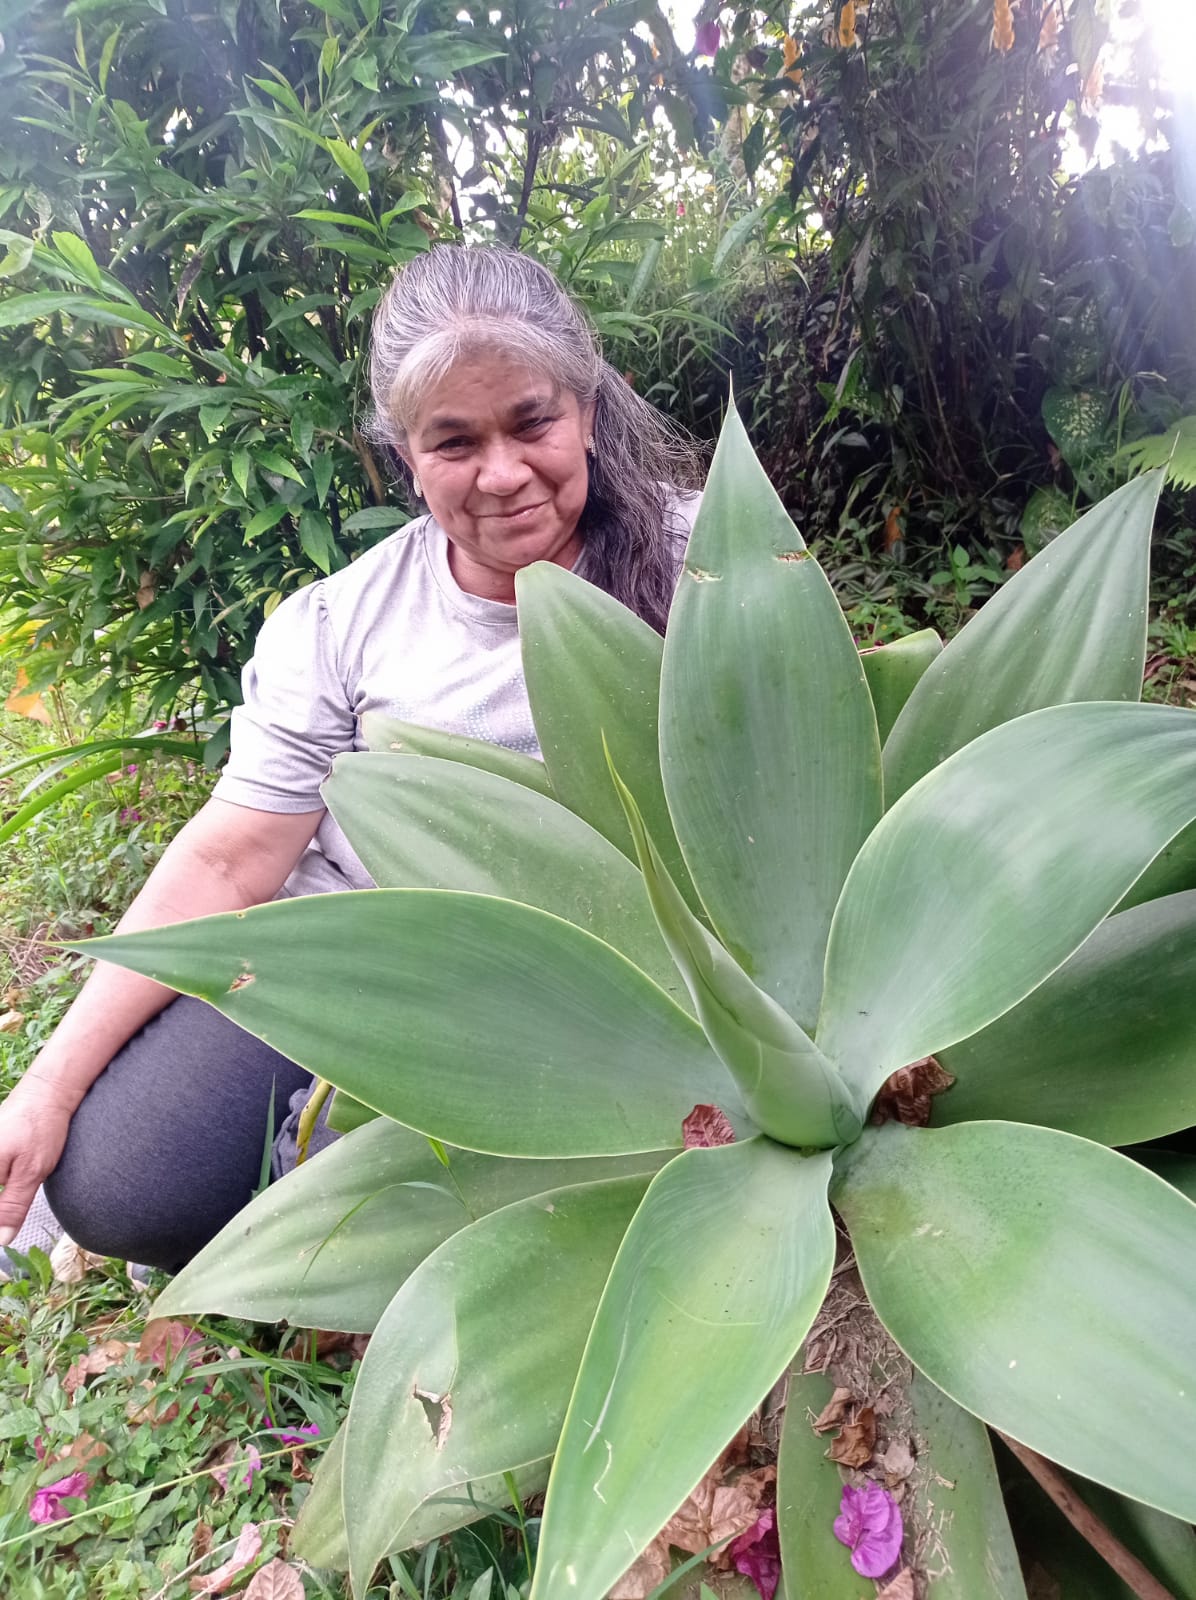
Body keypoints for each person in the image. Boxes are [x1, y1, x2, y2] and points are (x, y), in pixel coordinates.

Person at [0, 244, 704, 1273]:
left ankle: (334, 1177)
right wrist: (45, 1090)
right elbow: (231, 860)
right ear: (401, 455)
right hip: (372, 952)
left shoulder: (708, 559)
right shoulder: (342, 625)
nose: (501, 472)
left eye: (531, 421)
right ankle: (315, 1154)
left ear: (587, 409)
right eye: (452, 441)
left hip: (625, 974)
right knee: (119, 1179)